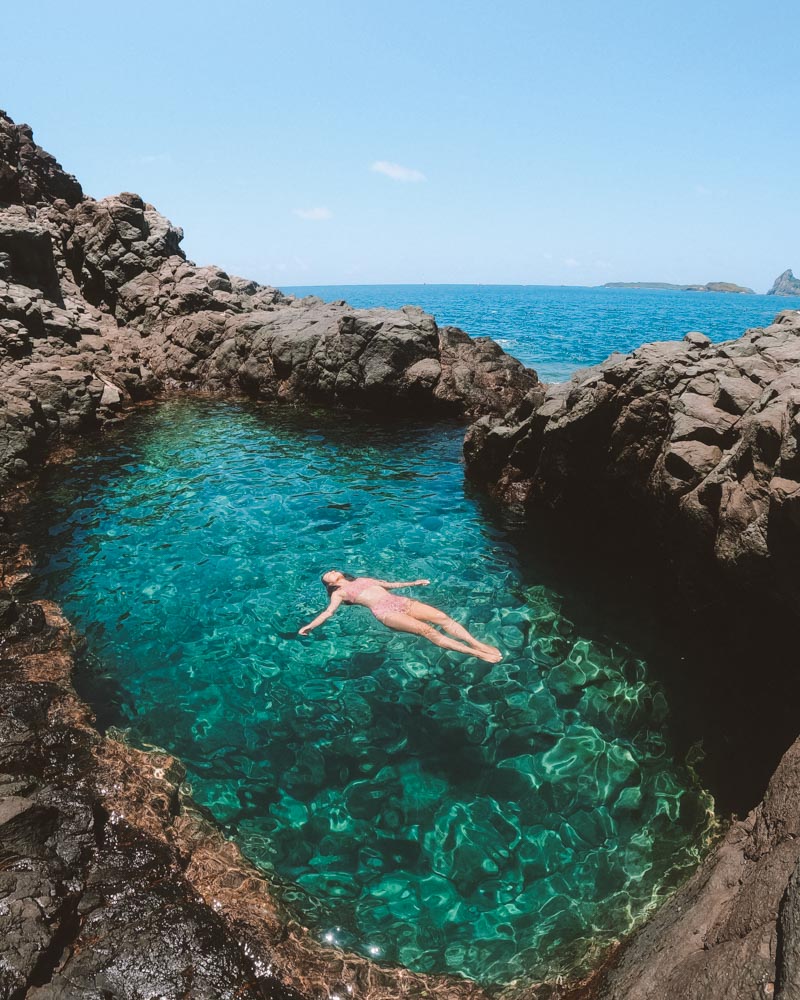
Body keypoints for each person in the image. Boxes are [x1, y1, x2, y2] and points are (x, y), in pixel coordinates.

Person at [298, 571, 502, 663]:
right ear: (329, 583)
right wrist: (310, 626)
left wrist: (415, 582)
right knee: (428, 631)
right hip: (386, 613)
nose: (332, 571)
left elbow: (390, 585)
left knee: (443, 618)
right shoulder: (338, 593)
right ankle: (477, 654)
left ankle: (477, 644)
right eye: (328, 574)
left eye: (333, 570)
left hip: (400, 601)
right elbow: (328, 612)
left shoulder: (363, 578)